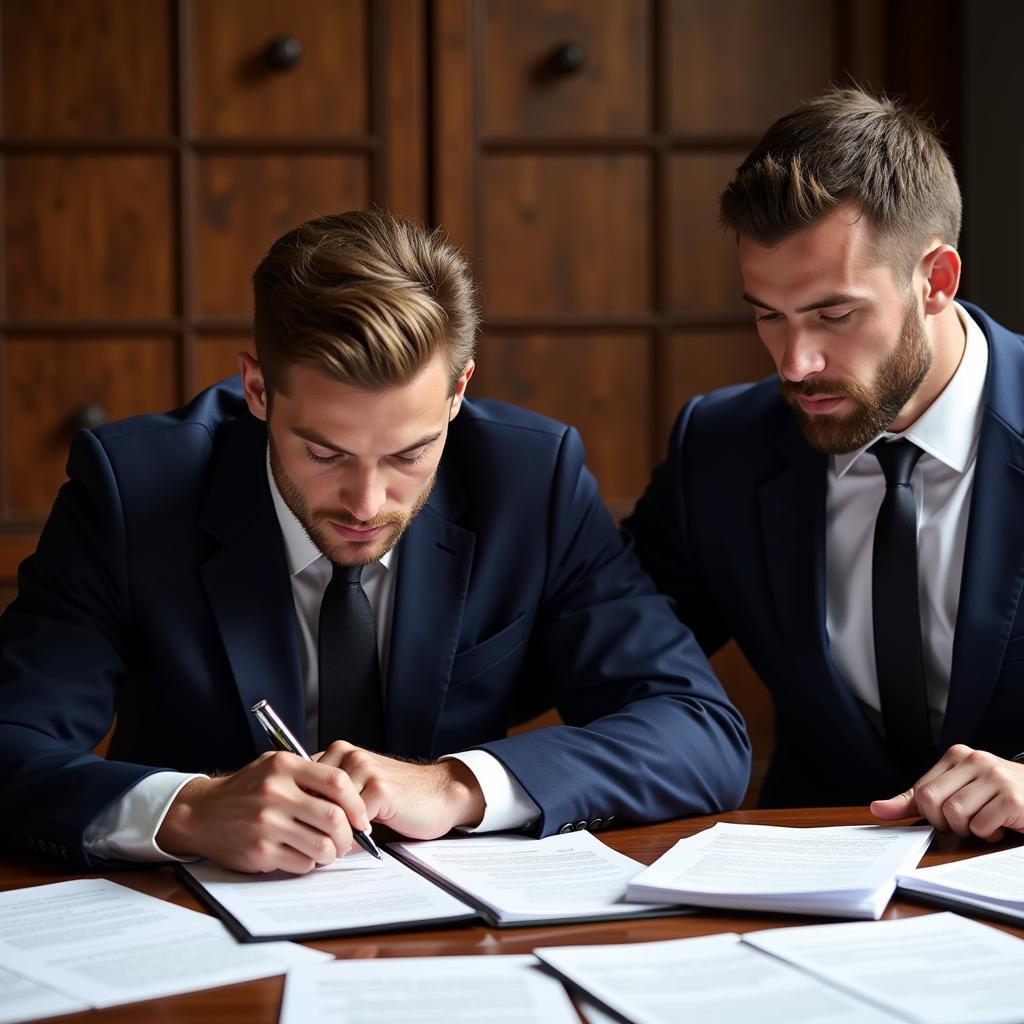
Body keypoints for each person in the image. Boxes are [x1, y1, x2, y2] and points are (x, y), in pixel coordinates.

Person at [0, 209, 750, 872]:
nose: (367, 503)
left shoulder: (531, 483)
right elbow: (11, 741)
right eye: (325, 453)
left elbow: (697, 730)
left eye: (408, 455)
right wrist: (190, 810)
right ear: (257, 390)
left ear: (458, 393)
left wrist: (456, 785)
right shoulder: (133, 492)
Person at [624, 88, 1024, 841]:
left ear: (936, 281)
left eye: (834, 314)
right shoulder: (721, 450)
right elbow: (601, 640)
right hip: (802, 902)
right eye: (768, 314)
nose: (795, 362)